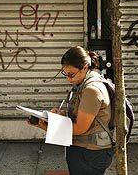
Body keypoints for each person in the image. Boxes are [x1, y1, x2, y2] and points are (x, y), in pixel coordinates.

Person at [29, 46, 114, 175]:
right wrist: (60, 116)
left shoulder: (92, 90)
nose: (68, 78)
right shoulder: (82, 85)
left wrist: (50, 126)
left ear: (85, 67)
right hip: (86, 151)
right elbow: (80, 117)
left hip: (90, 154)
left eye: (71, 74)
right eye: (65, 74)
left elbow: (80, 128)